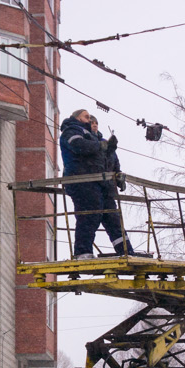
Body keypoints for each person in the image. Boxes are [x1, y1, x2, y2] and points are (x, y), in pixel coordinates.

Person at [58, 109, 138, 258]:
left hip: (101, 184)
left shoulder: (96, 140)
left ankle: (126, 251)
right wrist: (101, 146)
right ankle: (82, 252)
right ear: (76, 118)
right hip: (82, 181)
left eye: (94, 121)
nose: (90, 121)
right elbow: (79, 146)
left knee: (112, 218)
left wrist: (117, 175)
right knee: (89, 215)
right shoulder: (71, 131)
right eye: (87, 117)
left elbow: (108, 161)